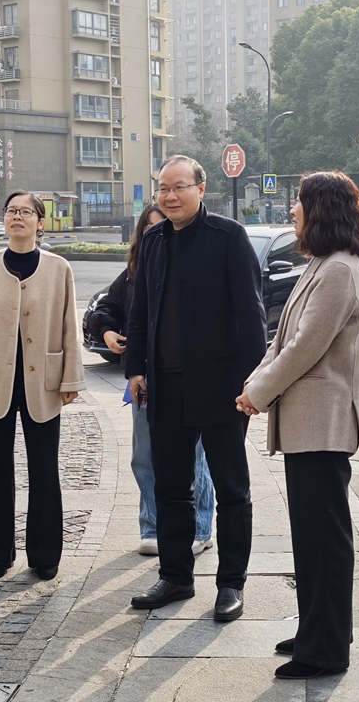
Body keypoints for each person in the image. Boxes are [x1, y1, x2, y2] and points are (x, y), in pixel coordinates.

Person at [236, 171, 359, 680]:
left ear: (321, 209)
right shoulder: (323, 262)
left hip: (324, 421)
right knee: (312, 537)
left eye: (299, 202)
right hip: (309, 421)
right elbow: (281, 340)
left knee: (325, 539)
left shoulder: (339, 269)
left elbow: (304, 347)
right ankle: (319, 629)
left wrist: (258, 393)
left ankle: (326, 649)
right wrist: (255, 384)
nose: (292, 210)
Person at [125, 155, 266, 622]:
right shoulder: (153, 240)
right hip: (164, 386)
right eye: (163, 188)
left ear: (201, 189)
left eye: (179, 187)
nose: (169, 197)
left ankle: (231, 584)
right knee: (170, 487)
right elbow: (141, 311)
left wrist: (252, 381)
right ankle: (176, 576)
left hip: (221, 388)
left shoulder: (229, 237)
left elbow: (251, 315)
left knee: (232, 491)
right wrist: (135, 368)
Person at [0, 190, 86, 581]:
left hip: (43, 382)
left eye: (27, 212)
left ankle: (44, 555)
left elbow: (69, 326)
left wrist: (71, 378)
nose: (18, 217)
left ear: (40, 223)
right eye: (12, 211)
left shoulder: (59, 269)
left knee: (44, 469)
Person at [87, 204, 215, 557]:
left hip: (188, 377)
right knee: (143, 455)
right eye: (149, 229)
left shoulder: (194, 265)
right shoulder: (134, 272)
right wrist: (108, 331)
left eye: (164, 226)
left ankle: (201, 527)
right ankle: (152, 526)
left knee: (194, 456)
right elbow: (104, 307)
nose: (157, 234)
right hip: (143, 378)